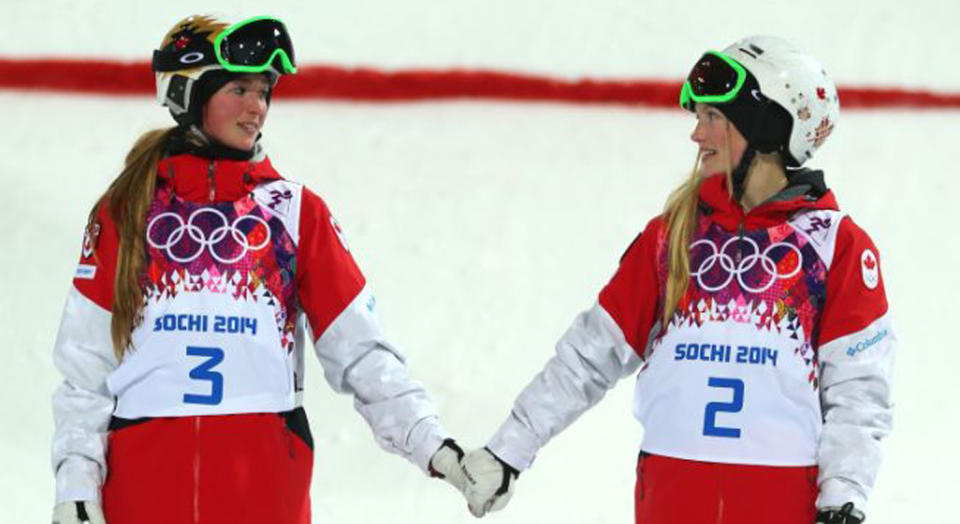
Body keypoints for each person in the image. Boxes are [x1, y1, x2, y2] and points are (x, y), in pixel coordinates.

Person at [458, 35, 894, 524]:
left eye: (714, 118)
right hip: (672, 495)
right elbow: (588, 356)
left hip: (780, 501)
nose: (697, 135)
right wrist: (508, 451)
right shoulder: (670, 238)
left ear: (768, 126)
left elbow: (858, 392)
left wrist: (843, 499)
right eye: (698, 118)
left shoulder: (836, 245)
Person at [50, 14, 465, 524]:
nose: (258, 108)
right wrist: (75, 481)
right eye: (240, 88)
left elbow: (362, 355)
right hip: (142, 496)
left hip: (262, 496)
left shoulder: (295, 213)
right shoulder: (125, 211)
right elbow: (85, 370)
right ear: (188, 92)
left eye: (265, 92)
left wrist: (433, 445)